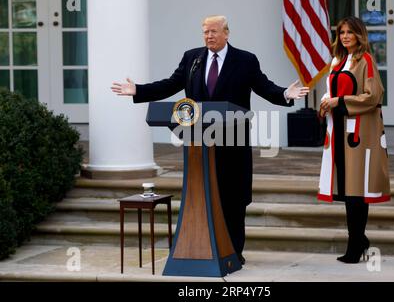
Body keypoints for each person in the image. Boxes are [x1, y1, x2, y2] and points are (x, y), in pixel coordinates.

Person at [112, 15, 309, 265]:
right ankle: (204, 248)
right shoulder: (192, 57)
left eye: (214, 31)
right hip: (198, 140)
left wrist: (285, 94)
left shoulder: (245, 60)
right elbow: (171, 84)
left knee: (233, 198)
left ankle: (234, 253)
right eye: (205, 32)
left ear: (227, 32)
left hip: (233, 139)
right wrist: (139, 90)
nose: (209, 36)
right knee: (203, 194)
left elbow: (263, 86)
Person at [318, 16, 391, 264]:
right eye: (342, 32)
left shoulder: (365, 61)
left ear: (360, 35)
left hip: (358, 135)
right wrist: (325, 103)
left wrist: (340, 102)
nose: (346, 36)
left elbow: (374, 96)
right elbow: (331, 91)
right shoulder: (337, 61)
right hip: (339, 131)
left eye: (351, 32)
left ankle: (356, 243)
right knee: (347, 190)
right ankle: (359, 241)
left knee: (356, 191)